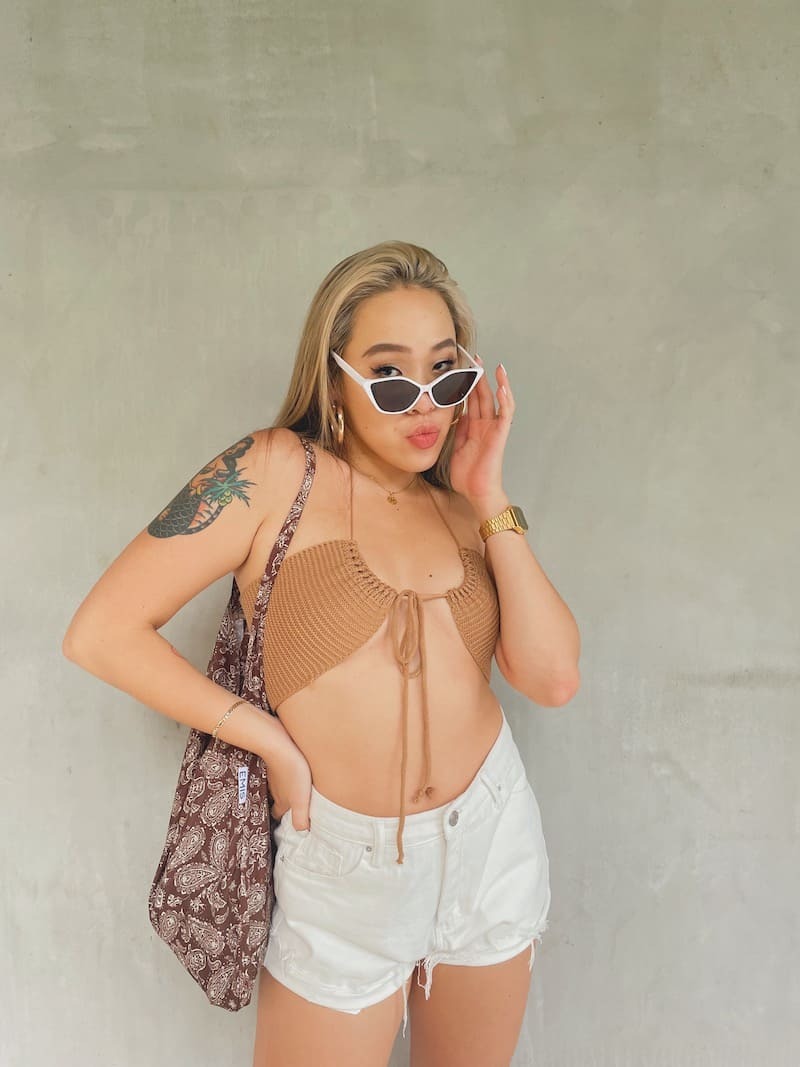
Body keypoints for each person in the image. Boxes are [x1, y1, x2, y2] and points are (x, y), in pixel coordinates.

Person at [63, 240, 581, 1067]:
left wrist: (490, 492)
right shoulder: (272, 472)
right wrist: (267, 740)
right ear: (335, 379)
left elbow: (552, 677)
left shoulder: (461, 506)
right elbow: (101, 631)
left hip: (491, 839)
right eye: (390, 375)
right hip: (343, 864)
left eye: (445, 374)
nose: (424, 403)